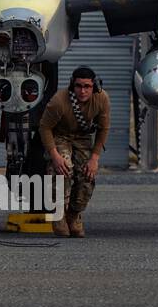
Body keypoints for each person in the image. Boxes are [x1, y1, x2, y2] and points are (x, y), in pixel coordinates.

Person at [37, 65, 109, 238]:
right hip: (60, 135)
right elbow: (44, 128)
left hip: (82, 137)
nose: (83, 91)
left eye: (87, 86)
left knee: (87, 174)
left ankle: (74, 214)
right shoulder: (59, 101)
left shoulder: (101, 99)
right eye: (78, 86)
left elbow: (103, 129)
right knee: (63, 168)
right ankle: (59, 214)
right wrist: (54, 156)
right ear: (72, 85)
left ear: (95, 87)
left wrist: (95, 158)